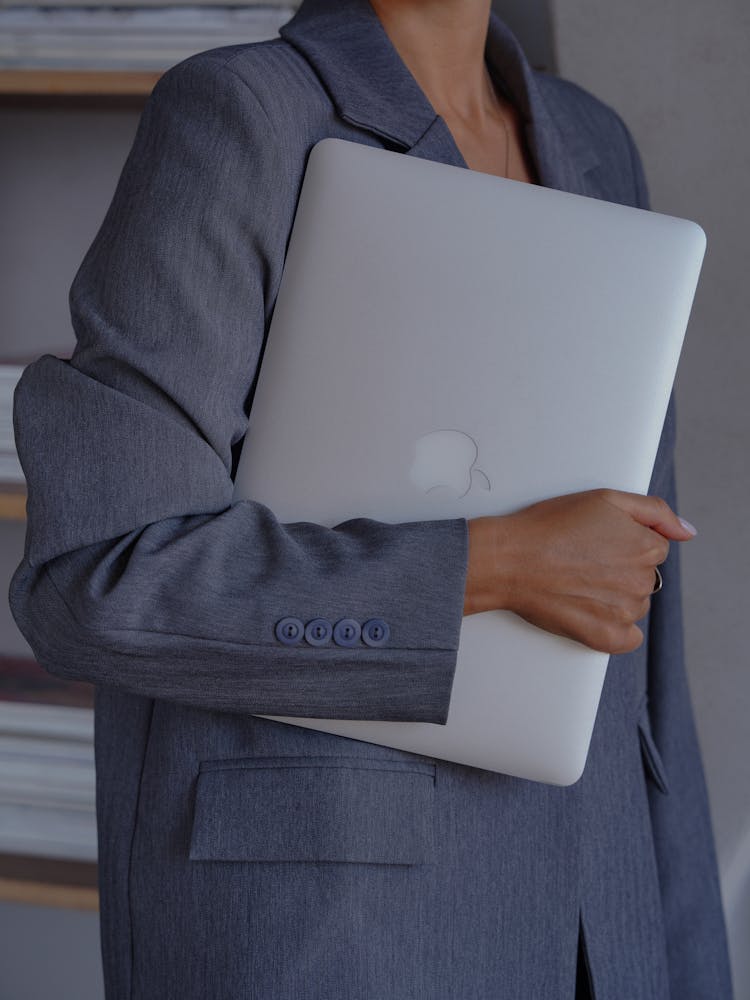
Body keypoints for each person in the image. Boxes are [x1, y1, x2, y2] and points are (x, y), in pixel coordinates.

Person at [9, 0, 733, 997]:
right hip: (340, 930)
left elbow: (646, 650)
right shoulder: (242, 115)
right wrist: (491, 565)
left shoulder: (593, 141)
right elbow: (94, 579)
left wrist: (690, 963)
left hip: (601, 931)